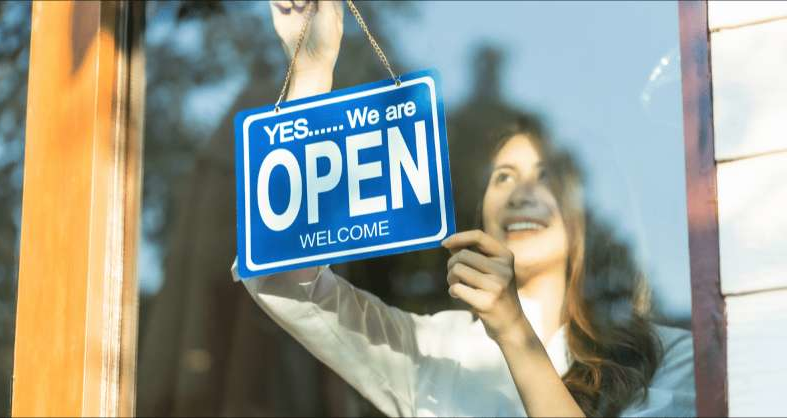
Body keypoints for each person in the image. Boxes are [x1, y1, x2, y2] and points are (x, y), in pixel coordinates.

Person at [232, 1, 696, 416]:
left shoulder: (673, 358)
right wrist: (312, 71)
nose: (520, 193)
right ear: (483, 216)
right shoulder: (434, 348)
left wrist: (514, 330)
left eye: (545, 175)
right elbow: (282, 276)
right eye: (503, 177)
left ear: (584, 217)